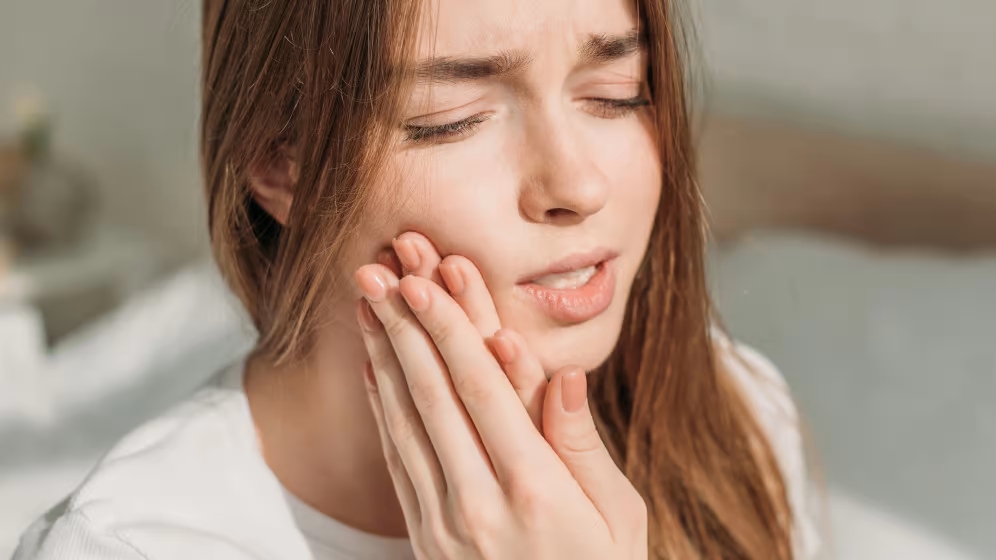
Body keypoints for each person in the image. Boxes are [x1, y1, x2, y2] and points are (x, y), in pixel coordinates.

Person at [15, 0, 820, 558]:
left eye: (615, 94)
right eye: (453, 117)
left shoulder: (735, 425)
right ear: (280, 162)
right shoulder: (128, 548)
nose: (577, 184)